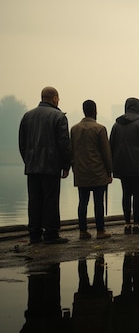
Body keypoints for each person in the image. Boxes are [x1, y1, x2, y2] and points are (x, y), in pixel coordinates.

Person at [18, 86, 72, 244]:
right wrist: (66, 165)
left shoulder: (27, 116)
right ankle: (51, 234)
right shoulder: (59, 116)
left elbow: (22, 143)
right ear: (54, 98)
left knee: (34, 200)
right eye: (58, 98)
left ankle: (34, 234)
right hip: (51, 166)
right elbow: (64, 144)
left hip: (32, 166)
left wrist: (28, 160)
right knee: (50, 199)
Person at [110, 97, 139, 235]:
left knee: (126, 194)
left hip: (121, 166)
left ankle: (127, 223)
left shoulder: (116, 125)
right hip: (138, 167)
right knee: (137, 195)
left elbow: (111, 146)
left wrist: (112, 166)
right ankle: (136, 223)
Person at [70, 100, 112, 240]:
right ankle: (100, 231)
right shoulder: (100, 129)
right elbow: (106, 153)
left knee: (83, 202)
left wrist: (73, 167)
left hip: (81, 171)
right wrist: (109, 171)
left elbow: (71, 151)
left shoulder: (74, 129)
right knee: (98, 202)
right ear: (95, 111)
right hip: (98, 172)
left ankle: (83, 231)